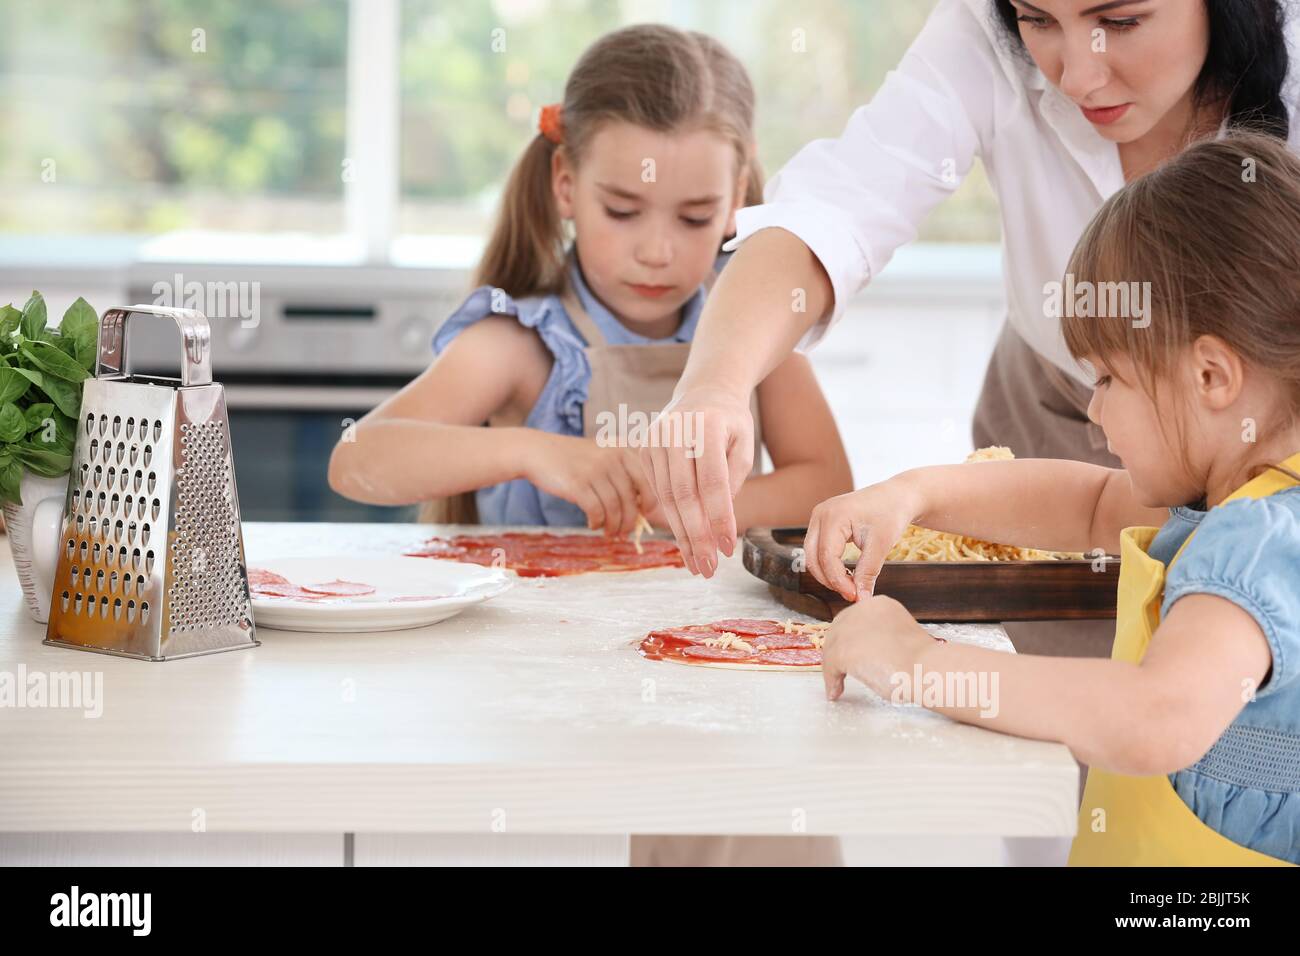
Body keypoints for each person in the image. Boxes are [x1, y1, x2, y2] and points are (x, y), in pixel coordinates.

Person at [639, 0, 1295, 583]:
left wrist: (914, 663)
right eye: (1035, 19)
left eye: (1120, 21)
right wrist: (715, 388)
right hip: (1048, 410)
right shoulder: (977, 31)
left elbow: (1156, 705)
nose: (1077, 77)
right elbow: (838, 209)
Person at [808, 133, 1300, 865]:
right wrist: (914, 492)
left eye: (1108, 380)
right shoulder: (1249, 497)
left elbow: (1155, 716)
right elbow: (1089, 505)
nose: (1094, 414)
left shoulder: (1256, 544)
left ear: (1211, 377)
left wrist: (918, 662)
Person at [329, 25, 850, 542]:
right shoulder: (520, 345)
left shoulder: (756, 330)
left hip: (710, 627)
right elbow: (356, 458)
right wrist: (532, 451)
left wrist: (679, 500)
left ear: (736, 195)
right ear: (565, 184)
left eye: (695, 217)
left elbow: (828, 485)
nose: (656, 252)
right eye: (622, 211)